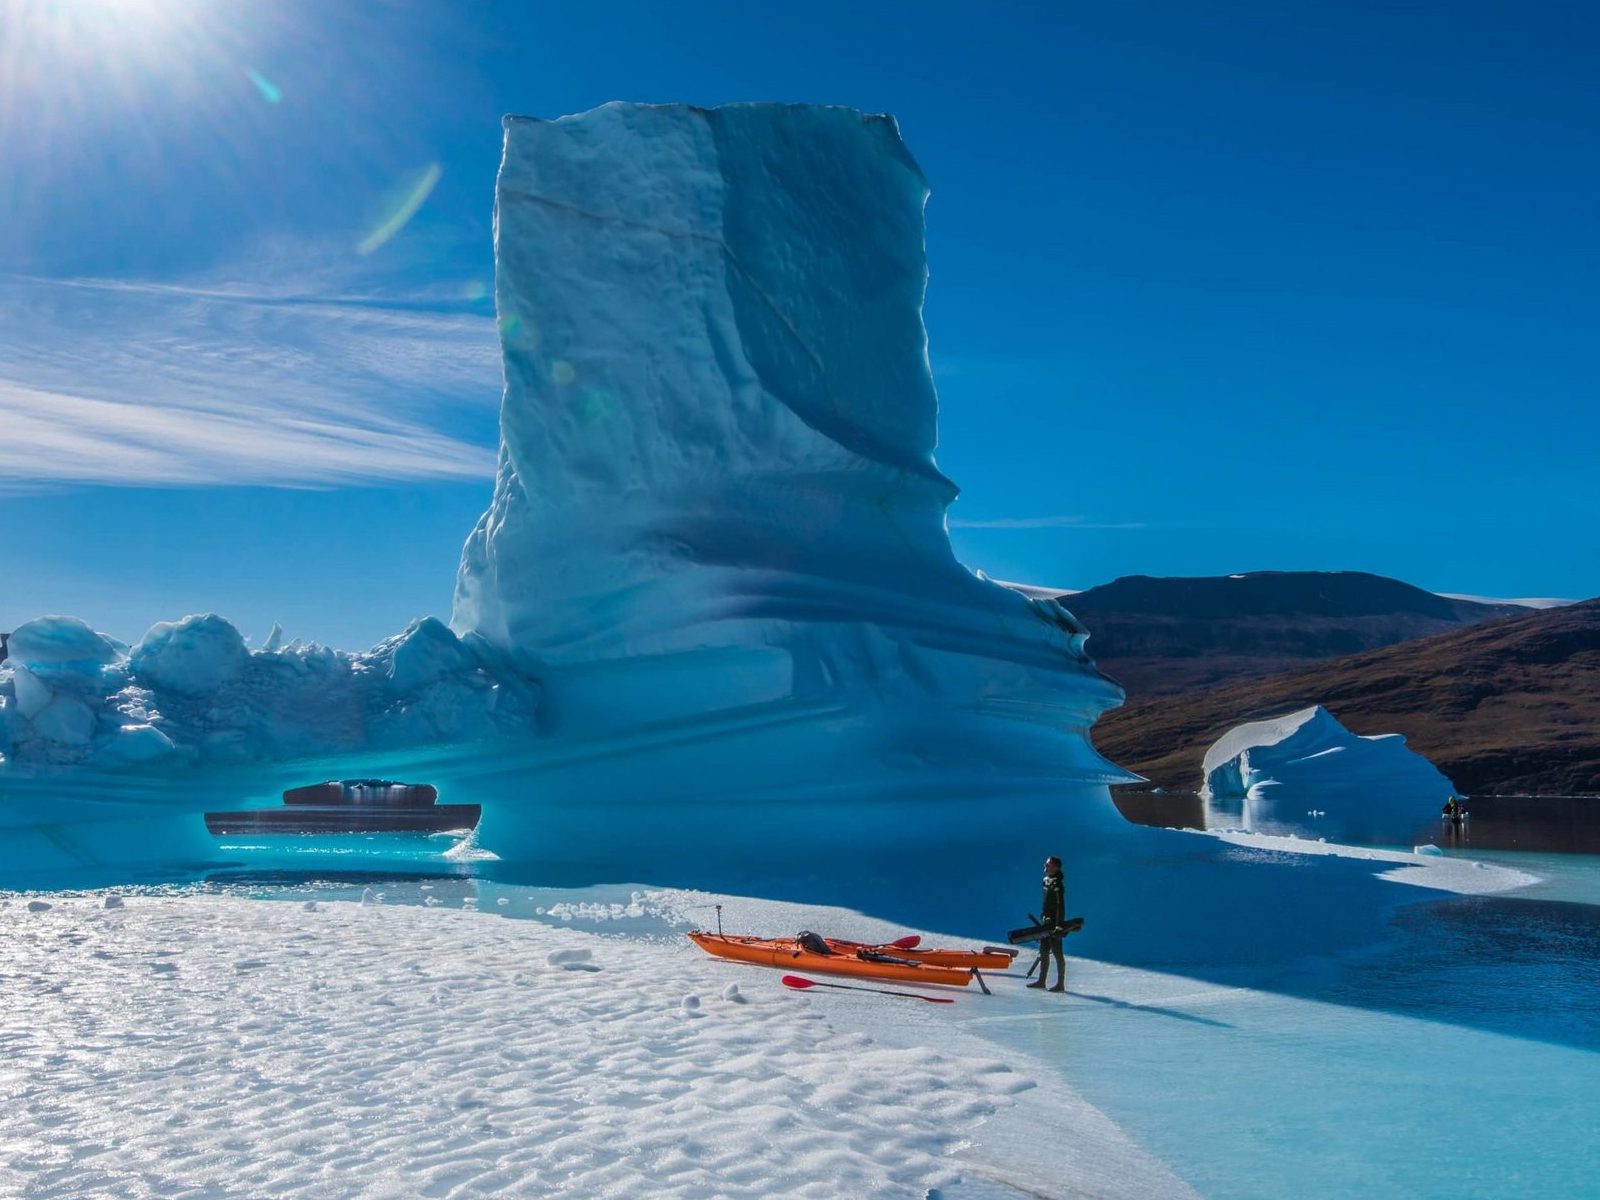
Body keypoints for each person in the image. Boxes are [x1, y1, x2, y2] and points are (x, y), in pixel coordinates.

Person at [1027, 855, 1067, 993]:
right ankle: (1041, 980)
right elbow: (1045, 903)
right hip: (1045, 921)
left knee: (1057, 953)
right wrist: (1043, 917)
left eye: (1049, 864)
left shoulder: (1057, 885)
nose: (1046, 866)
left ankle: (1060, 984)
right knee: (1043, 951)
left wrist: (1059, 925)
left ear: (1055, 868)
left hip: (1054, 924)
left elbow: (1060, 906)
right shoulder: (1045, 881)